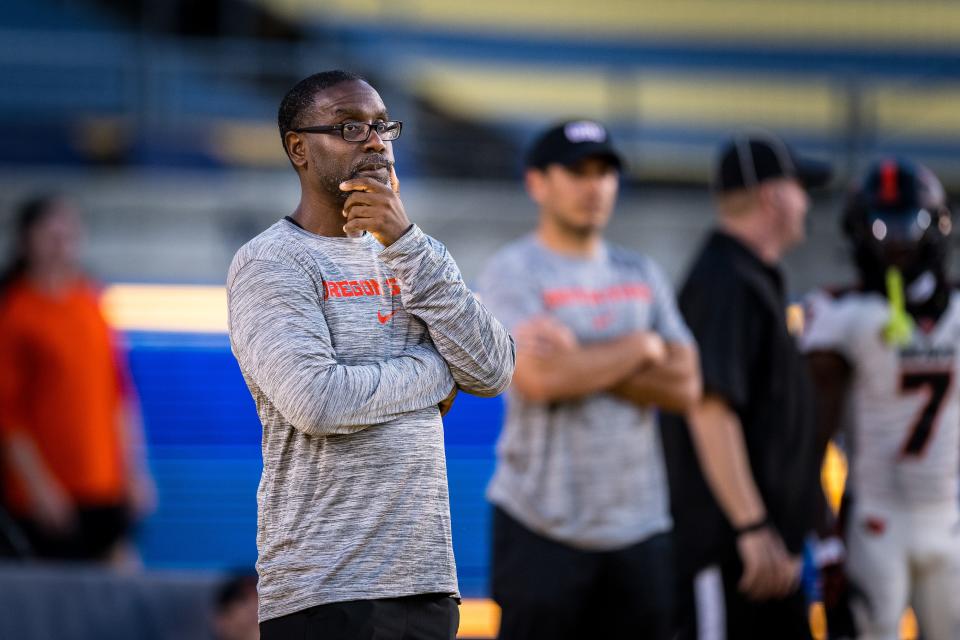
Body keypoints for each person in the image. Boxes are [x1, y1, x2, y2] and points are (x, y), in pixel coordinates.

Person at [227, 70, 515, 640]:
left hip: (428, 582)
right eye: (350, 127)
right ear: (298, 149)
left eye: (383, 126)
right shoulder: (271, 263)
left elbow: (493, 369)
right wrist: (437, 374)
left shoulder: (412, 252)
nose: (376, 141)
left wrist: (406, 241)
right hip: (327, 590)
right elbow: (318, 402)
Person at [477, 120, 701, 640]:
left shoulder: (640, 272)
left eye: (605, 173)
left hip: (639, 527)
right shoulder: (512, 271)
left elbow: (686, 385)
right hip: (541, 526)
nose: (595, 186)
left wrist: (583, 357)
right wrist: (641, 348)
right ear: (537, 183)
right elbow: (536, 377)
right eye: (578, 172)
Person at [661, 132, 832, 639]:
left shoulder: (750, 274)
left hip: (763, 555)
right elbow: (709, 407)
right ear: (773, 195)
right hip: (733, 555)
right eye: (800, 188)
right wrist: (751, 527)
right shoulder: (725, 279)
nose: (807, 203)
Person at [802, 158, 960, 640]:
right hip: (875, 519)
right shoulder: (839, 315)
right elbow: (809, 443)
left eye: (908, 223)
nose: (896, 241)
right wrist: (827, 544)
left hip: (949, 515)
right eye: (880, 225)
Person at [0, 195, 155, 565]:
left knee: (119, 581)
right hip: (46, 494)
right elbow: (9, 415)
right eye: (49, 234)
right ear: (26, 240)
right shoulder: (15, 310)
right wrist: (38, 487)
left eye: (68, 233)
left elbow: (119, 395)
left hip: (103, 484)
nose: (60, 243)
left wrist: (135, 472)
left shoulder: (90, 301)